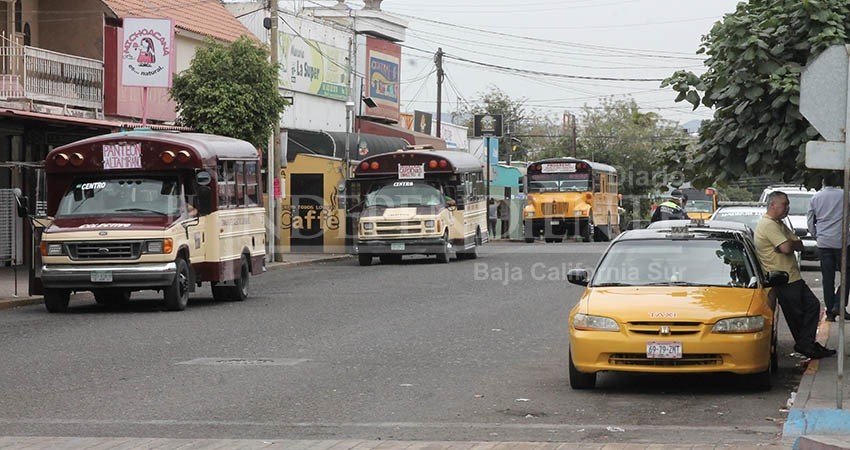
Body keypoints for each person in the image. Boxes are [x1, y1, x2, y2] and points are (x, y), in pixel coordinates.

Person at [755, 191, 836, 359]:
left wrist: (790, 244)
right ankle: (805, 345)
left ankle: (807, 343)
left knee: (813, 306)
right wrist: (789, 245)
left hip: (793, 276)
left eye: (787, 204)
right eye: (784, 204)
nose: (787, 208)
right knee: (797, 314)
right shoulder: (768, 225)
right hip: (783, 278)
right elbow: (787, 248)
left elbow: (799, 245)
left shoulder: (779, 224)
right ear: (773, 205)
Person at [807, 172, 850, 321]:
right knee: (846, 273)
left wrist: (817, 236)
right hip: (842, 241)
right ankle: (839, 303)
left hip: (824, 243)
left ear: (823, 182)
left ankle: (830, 312)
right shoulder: (844, 195)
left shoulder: (816, 197)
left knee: (827, 278)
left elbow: (810, 221)